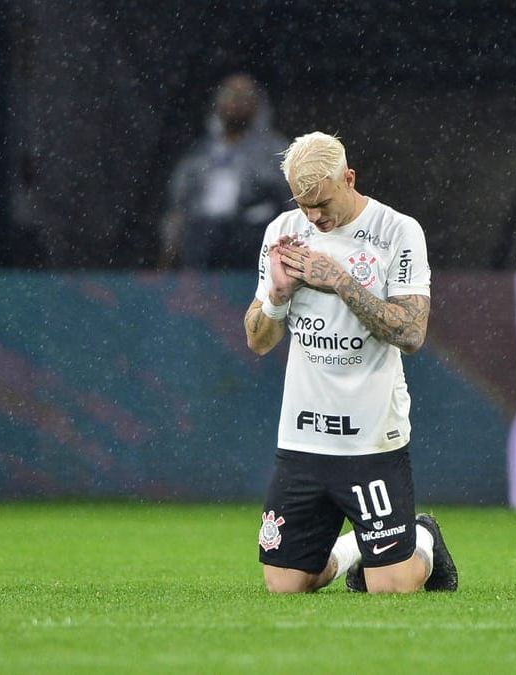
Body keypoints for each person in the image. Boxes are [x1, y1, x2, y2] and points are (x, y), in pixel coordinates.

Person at [242, 131, 458, 594]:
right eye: (304, 204)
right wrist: (278, 296)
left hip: (371, 438)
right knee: (285, 585)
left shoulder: (397, 231)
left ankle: (422, 536)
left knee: (393, 587)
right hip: (303, 436)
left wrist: (341, 282)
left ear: (349, 178)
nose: (314, 216)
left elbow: (411, 333)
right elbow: (258, 340)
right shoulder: (282, 232)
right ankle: (352, 551)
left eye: (322, 202)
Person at [160, 74, 289, 269]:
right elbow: (178, 202)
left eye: (244, 95)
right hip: (202, 237)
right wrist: (169, 248)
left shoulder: (274, 149)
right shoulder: (200, 151)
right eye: (231, 95)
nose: (237, 101)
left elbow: (291, 199)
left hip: (252, 235)